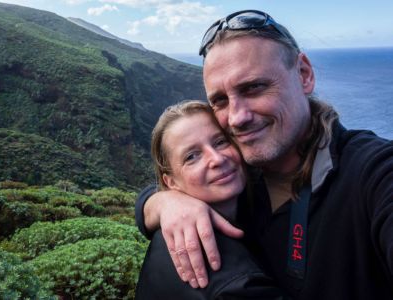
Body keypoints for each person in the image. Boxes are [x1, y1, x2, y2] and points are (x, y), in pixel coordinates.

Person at [135, 10, 393, 300]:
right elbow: (149, 196)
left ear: (304, 74)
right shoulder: (237, 177)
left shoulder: (373, 174)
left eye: (254, 87)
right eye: (220, 100)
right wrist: (162, 203)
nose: (237, 118)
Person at [135, 100, 286, 299]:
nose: (217, 159)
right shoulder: (230, 281)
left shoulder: (255, 198)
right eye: (191, 157)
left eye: (220, 142)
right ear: (171, 182)